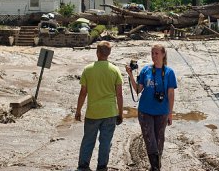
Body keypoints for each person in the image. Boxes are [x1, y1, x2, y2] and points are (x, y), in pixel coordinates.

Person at [125, 44, 178, 171]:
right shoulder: (146, 70)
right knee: (150, 139)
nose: (154, 56)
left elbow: (171, 94)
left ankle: (156, 165)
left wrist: (170, 113)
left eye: (156, 53)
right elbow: (138, 90)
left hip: (162, 112)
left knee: (159, 140)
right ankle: (155, 167)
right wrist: (130, 75)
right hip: (145, 111)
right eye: (152, 53)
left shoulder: (169, 72)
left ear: (163, 54)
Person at [75, 41, 124, 171]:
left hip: (93, 112)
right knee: (106, 142)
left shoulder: (88, 69)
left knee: (88, 140)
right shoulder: (115, 70)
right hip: (110, 112)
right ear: (109, 54)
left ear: (97, 52)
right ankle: (102, 167)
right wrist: (120, 113)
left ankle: (83, 166)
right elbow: (119, 95)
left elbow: (83, 93)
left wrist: (78, 110)